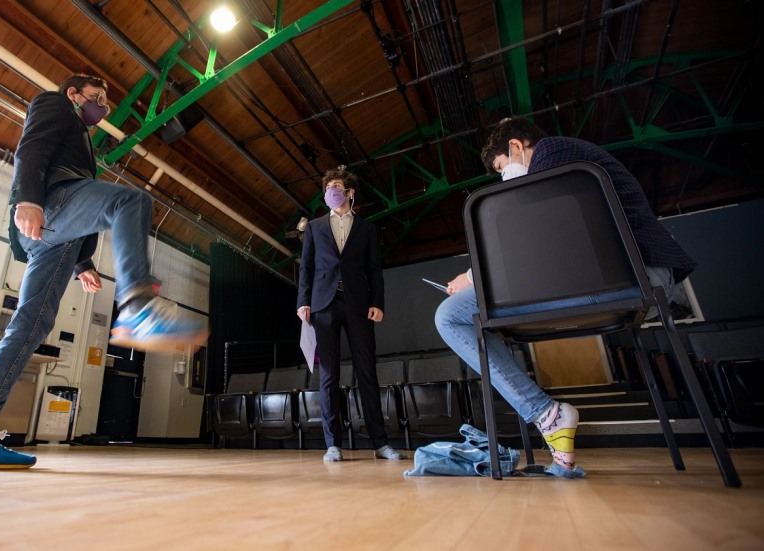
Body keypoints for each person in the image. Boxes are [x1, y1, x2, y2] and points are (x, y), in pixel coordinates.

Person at [0, 74, 208, 470]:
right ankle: (136, 305)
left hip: (58, 237)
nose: (102, 107)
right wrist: (27, 200)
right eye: (98, 97)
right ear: (73, 93)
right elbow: (31, 148)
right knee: (131, 202)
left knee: (30, 326)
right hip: (49, 205)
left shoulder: (83, 136)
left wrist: (83, 264)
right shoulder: (52, 105)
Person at [434, 117, 696, 477]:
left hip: (631, 275)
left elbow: (533, 241)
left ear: (516, 146)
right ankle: (546, 414)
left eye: (500, 168)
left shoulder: (554, 153)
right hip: (611, 275)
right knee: (458, 313)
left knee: (451, 317)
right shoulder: (567, 155)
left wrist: (470, 277)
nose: (502, 177)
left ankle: (545, 413)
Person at [296, 166, 405, 462]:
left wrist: (377, 302)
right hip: (323, 305)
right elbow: (305, 267)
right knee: (329, 375)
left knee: (367, 372)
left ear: (350, 192)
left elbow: (374, 270)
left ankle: (380, 443)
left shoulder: (367, 228)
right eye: (328, 186)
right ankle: (333, 444)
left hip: (358, 304)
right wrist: (302, 302)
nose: (332, 190)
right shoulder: (315, 228)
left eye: (337, 185)